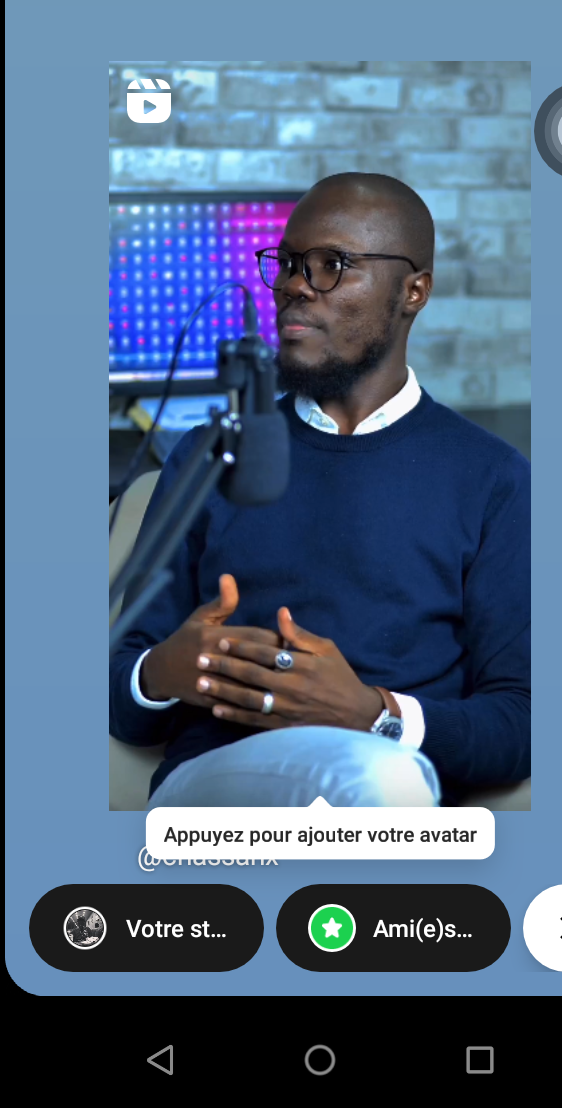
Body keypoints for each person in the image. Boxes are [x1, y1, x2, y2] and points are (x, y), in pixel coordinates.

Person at [109, 173, 530, 807]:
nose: (294, 285)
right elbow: (121, 698)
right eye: (287, 263)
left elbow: (522, 721)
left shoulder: (493, 477)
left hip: (395, 793)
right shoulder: (208, 455)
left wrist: (373, 714)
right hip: (217, 785)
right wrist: (166, 668)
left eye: (332, 265)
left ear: (413, 291)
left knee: (383, 778)